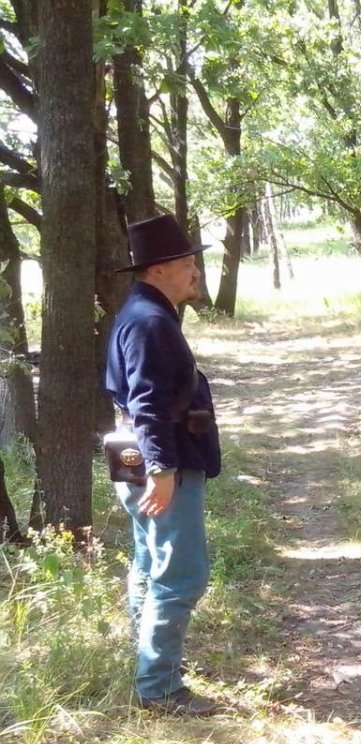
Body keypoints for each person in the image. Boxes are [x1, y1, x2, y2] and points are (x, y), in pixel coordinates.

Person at [106, 214, 222, 716]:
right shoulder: (150, 321)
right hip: (159, 455)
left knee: (150, 563)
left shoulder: (144, 312)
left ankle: (152, 665)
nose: (195, 271)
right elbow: (149, 404)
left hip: (135, 448)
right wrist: (162, 470)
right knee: (181, 572)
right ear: (157, 270)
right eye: (186, 263)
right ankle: (159, 686)